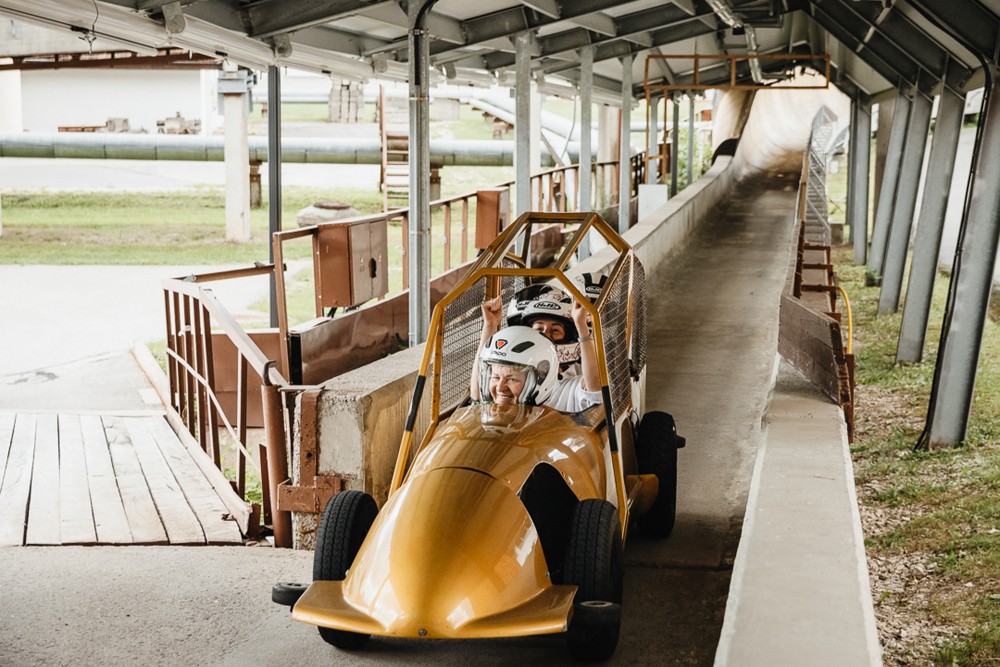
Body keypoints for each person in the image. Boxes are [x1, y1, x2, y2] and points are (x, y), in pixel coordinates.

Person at [471, 320, 602, 413]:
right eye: (495, 377)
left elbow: (594, 389)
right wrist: (489, 325)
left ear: (541, 376)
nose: (500, 388)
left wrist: (582, 328)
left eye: (512, 379)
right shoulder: (491, 411)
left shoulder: (569, 388)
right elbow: (477, 397)